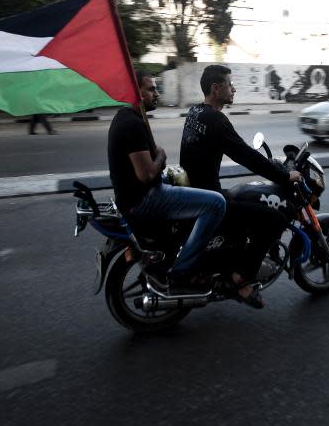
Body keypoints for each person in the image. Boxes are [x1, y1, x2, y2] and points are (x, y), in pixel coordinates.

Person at [180, 65, 302, 309]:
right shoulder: (216, 119)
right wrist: (285, 176)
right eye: (229, 84)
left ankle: (224, 267)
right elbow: (246, 155)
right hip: (209, 199)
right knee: (274, 219)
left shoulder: (195, 112)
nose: (233, 89)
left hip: (197, 192)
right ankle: (241, 279)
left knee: (244, 199)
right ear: (216, 89)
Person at [108, 71, 226, 291]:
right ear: (136, 92)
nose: (157, 93)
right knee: (217, 203)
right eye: (151, 89)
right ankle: (183, 271)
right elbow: (146, 175)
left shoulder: (125, 117)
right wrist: (161, 157)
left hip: (134, 196)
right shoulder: (132, 124)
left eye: (156, 88)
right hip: (144, 199)